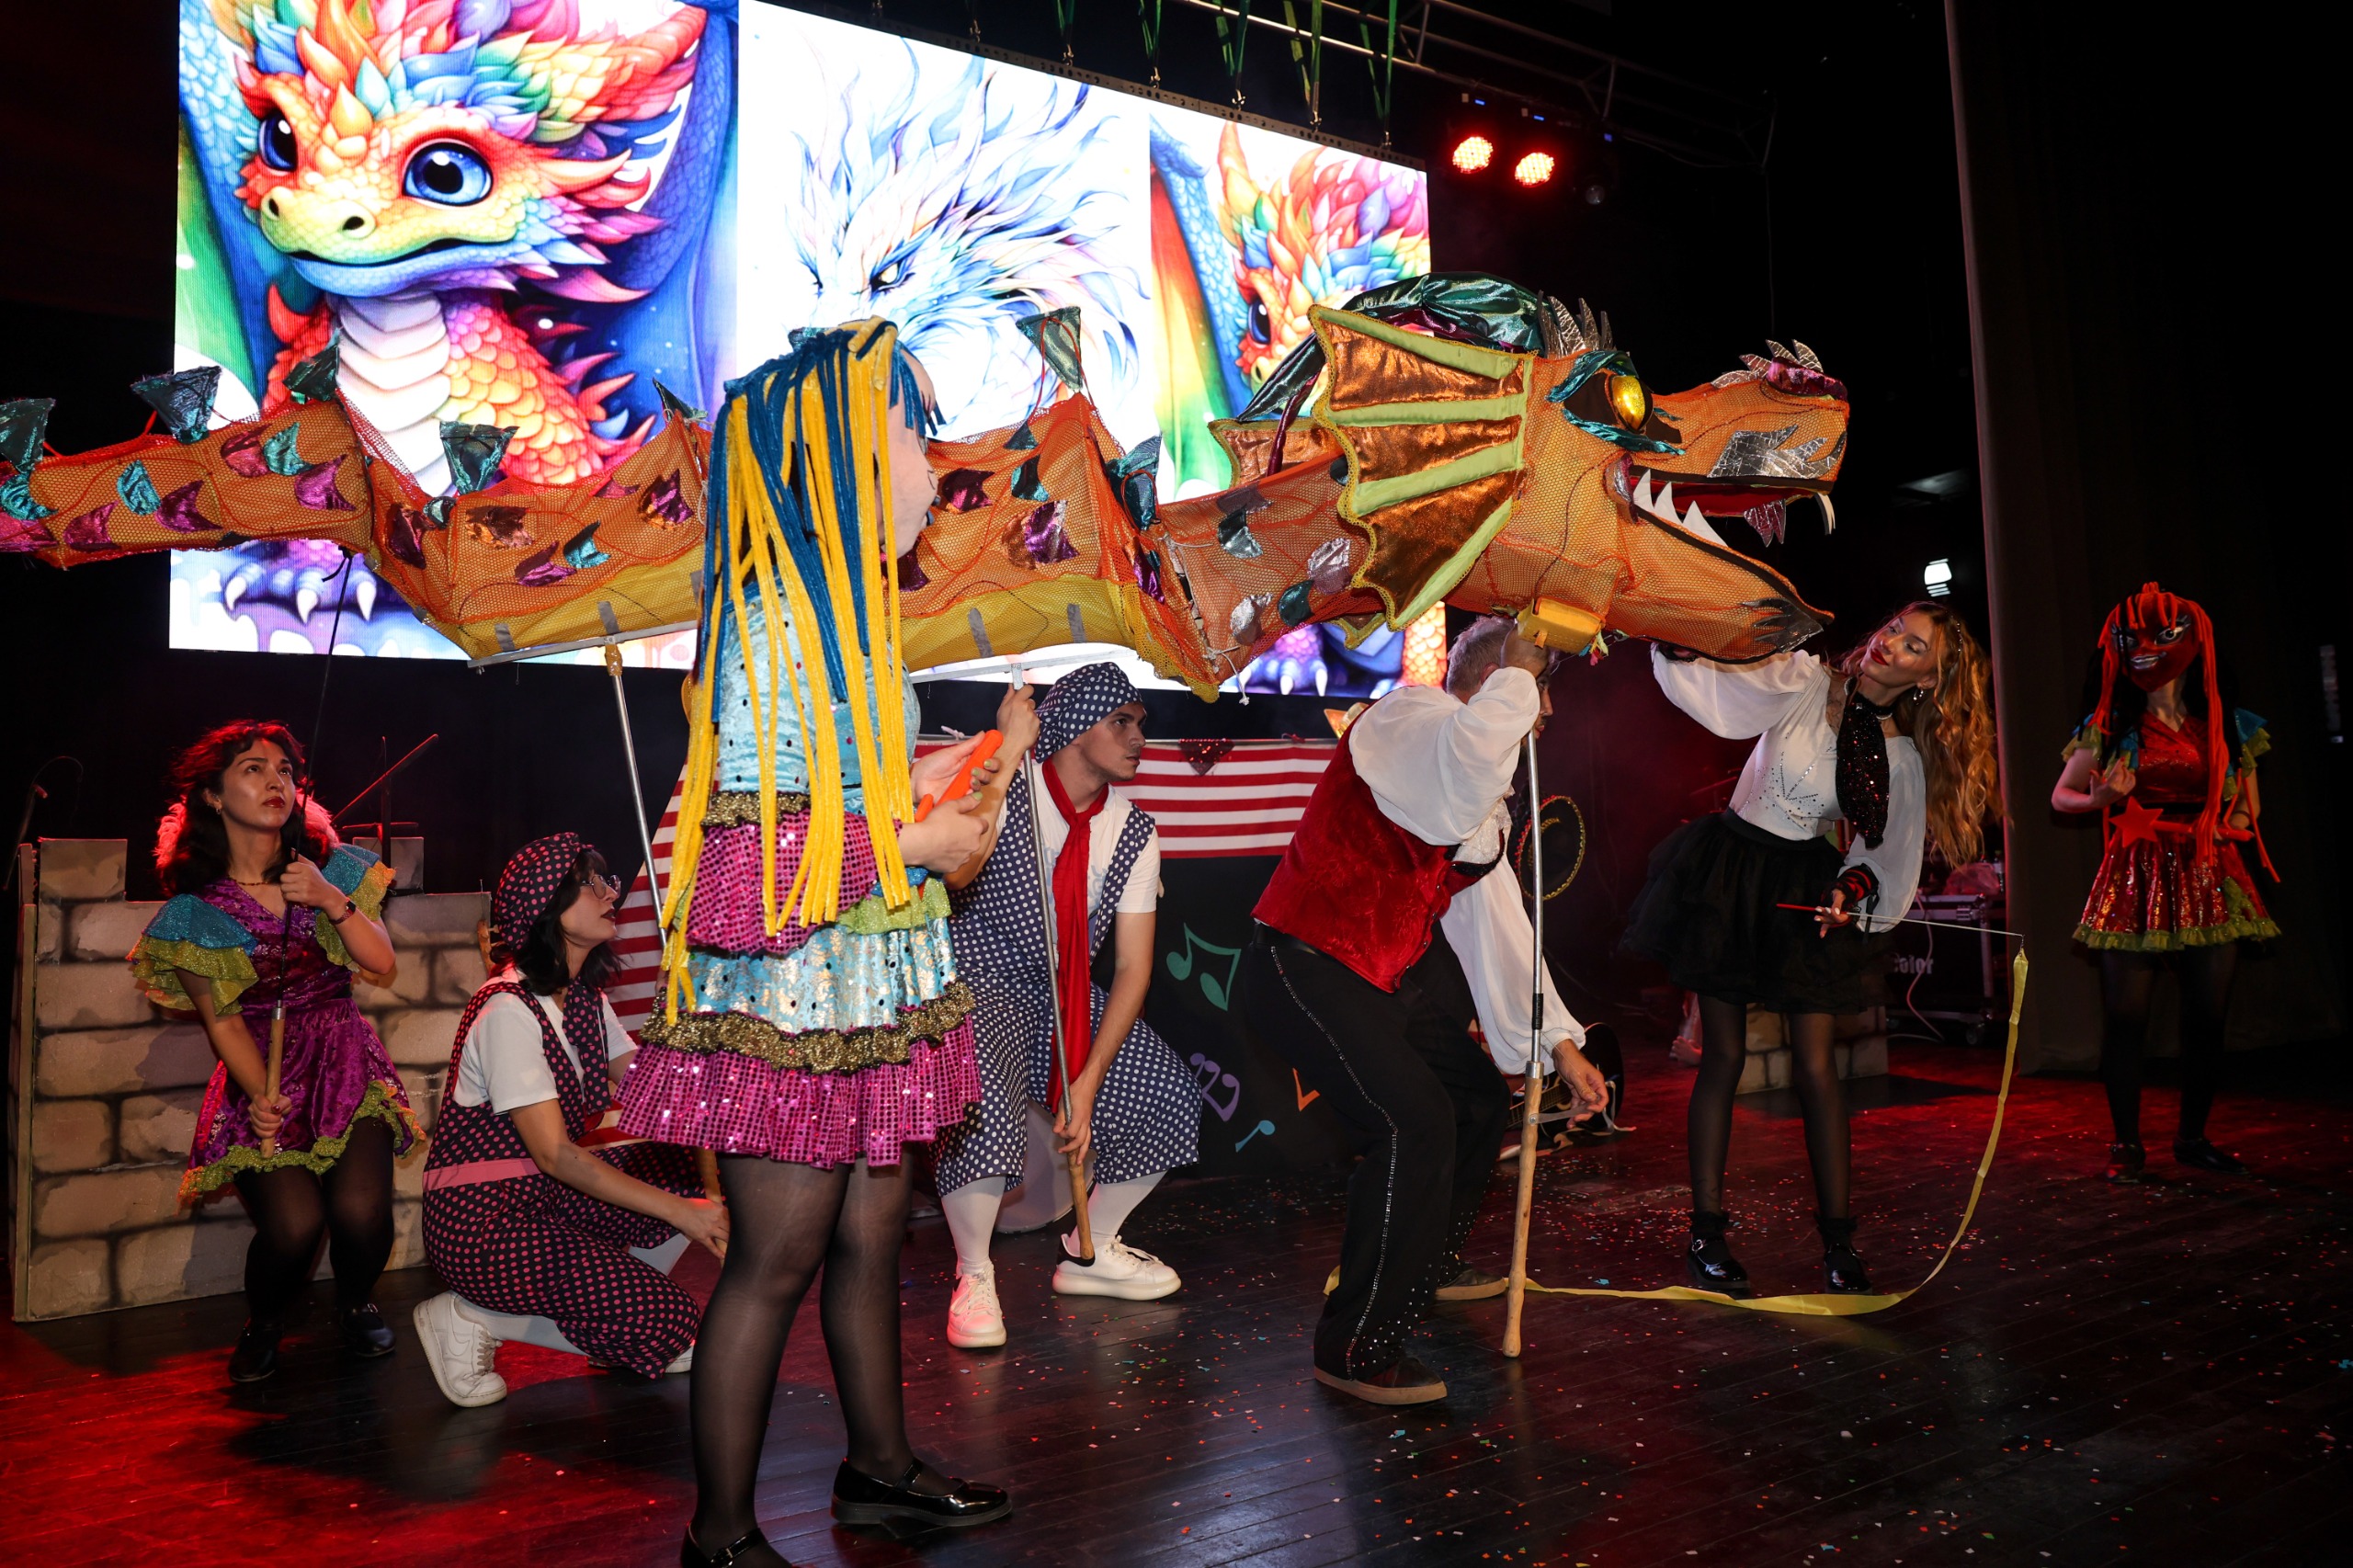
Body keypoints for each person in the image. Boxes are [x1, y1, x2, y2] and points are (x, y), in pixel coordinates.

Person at [612, 324, 1010, 1568]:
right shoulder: (770, 617)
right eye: (906, 432)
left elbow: (841, 807)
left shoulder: (849, 617)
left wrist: (944, 808)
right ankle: (720, 1538)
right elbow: (741, 854)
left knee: (873, 1233)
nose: (929, 465)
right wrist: (925, 844)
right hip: (791, 987)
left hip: (867, 974)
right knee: (773, 1258)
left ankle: (878, 1472)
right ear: (830, 452)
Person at [1237, 618, 1609, 1406]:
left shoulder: (1482, 797)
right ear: (1497, 681)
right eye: (1537, 693)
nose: (1544, 716)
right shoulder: (1409, 720)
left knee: (1474, 1099)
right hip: (1302, 960)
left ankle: (1423, 1262)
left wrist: (1559, 1046)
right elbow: (1454, 788)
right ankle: (1357, 1345)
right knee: (1411, 1123)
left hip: (1378, 976)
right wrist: (1517, 669)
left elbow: (1499, 926)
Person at [1625, 599, 1997, 1297]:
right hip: (1730, 873)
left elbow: (1883, 851)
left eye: (1915, 648)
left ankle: (1840, 1244)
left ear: (1929, 678)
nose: (1893, 645)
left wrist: (1851, 889)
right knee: (1725, 1056)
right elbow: (1727, 694)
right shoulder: (1800, 679)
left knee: (1818, 1069)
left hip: (1805, 883)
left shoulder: (1899, 755)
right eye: (1894, 628)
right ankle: (1706, 1236)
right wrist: (1680, 642)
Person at [130, 721, 419, 1383]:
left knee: (362, 1214)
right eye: (254, 769)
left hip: (345, 1060)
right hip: (260, 1067)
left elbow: (380, 961)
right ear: (211, 795)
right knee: (293, 1226)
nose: (275, 782)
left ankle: (355, 1302)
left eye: (285, 770)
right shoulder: (197, 910)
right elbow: (222, 1022)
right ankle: (265, 1320)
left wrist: (326, 897)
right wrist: (261, 1097)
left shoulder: (326, 870)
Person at [932, 663, 1200, 1350]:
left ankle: (1091, 1247)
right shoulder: (1006, 783)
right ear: (1076, 726)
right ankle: (974, 1276)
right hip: (978, 977)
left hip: (1066, 989)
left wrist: (1086, 1083)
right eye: (1123, 721)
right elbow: (951, 869)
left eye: (1142, 721)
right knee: (985, 1100)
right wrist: (1004, 756)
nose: (1140, 735)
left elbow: (1135, 969)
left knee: (1166, 1094)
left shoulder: (1134, 832)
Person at [413, 834, 731, 1407]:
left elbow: (658, 1096)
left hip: (546, 1202)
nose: (611, 892)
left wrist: (685, 1027)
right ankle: (467, 1317)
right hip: (484, 1224)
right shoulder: (507, 1010)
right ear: (546, 905)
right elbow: (555, 1155)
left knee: (679, 1169)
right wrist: (688, 1216)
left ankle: (614, 1316)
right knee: (674, 1325)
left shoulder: (583, 1000)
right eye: (592, 882)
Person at [2050, 582, 2276, 1181]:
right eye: (2132, 639)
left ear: (2192, 641)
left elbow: (2248, 808)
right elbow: (2061, 795)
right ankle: (2127, 1145)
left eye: (2162, 635)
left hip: (2206, 871)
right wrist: (2096, 796)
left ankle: (2192, 1137)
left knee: (2207, 1017)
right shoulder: (2109, 723)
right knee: (2127, 1017)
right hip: (2136, 874)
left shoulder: (2227, 724)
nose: (2145, 648)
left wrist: (2234, 823)